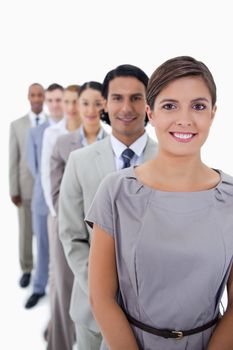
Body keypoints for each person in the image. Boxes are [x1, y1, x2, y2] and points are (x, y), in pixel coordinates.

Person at [85, 56, 233, 350]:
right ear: (150, 113)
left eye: (198, 106)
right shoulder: (116, 191)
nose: (185, 119)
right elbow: (100, 297)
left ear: (213, 113)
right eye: (170, 106)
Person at [59, 64, 157, 350]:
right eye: (117, 98)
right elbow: (71, 235)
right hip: (91, 314)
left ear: (148, 104)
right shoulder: (79, 161)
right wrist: (102, 290)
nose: (126, 107)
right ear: (105, 103)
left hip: (152, 312)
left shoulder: (169, 158)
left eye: (136, 98)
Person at [47, 81, 109, 350]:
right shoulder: (63, 143)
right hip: (67, 225)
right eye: (85, 103)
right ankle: (59, 343)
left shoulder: (114, 143)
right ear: (77, 106)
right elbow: (56, 193)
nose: (91, 109)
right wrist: (75, 217)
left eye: (97, 103)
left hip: (102, 233)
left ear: (104, 106)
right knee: (63, 289)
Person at [25, 83, 64, 309]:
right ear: (47, 103)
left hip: (68, 200)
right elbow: (34, 166)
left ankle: (62, 292)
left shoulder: (73, 128)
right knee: (43, 246)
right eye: (52, 100)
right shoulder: (35, 132)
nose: (55, 104)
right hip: (42, 199)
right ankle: (39, 287)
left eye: (60, 99)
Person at [9, 83, 46, 288]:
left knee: (45, 234)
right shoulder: (17, 125)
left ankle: (46, 269)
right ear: (28, 97)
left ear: (45, 97)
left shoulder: (53, 123)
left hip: (46, 189)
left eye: (40, 95)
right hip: (25, 188)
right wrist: (13, 189)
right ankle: (26, 269)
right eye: (33, 95)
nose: (37, 98)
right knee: (25, 232)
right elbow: (13, 159)